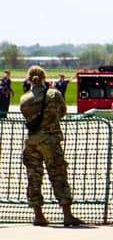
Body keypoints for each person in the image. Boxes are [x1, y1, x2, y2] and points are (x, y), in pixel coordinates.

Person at [20, 65, 82, 227]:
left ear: (29, 79)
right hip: (50, 140)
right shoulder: (54, 94)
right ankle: (67, 215)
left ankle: (38, 215)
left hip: (32, 142)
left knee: (33, 178)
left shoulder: (24, 99)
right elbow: (62, 112)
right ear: (44, 78)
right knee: (58, 174)